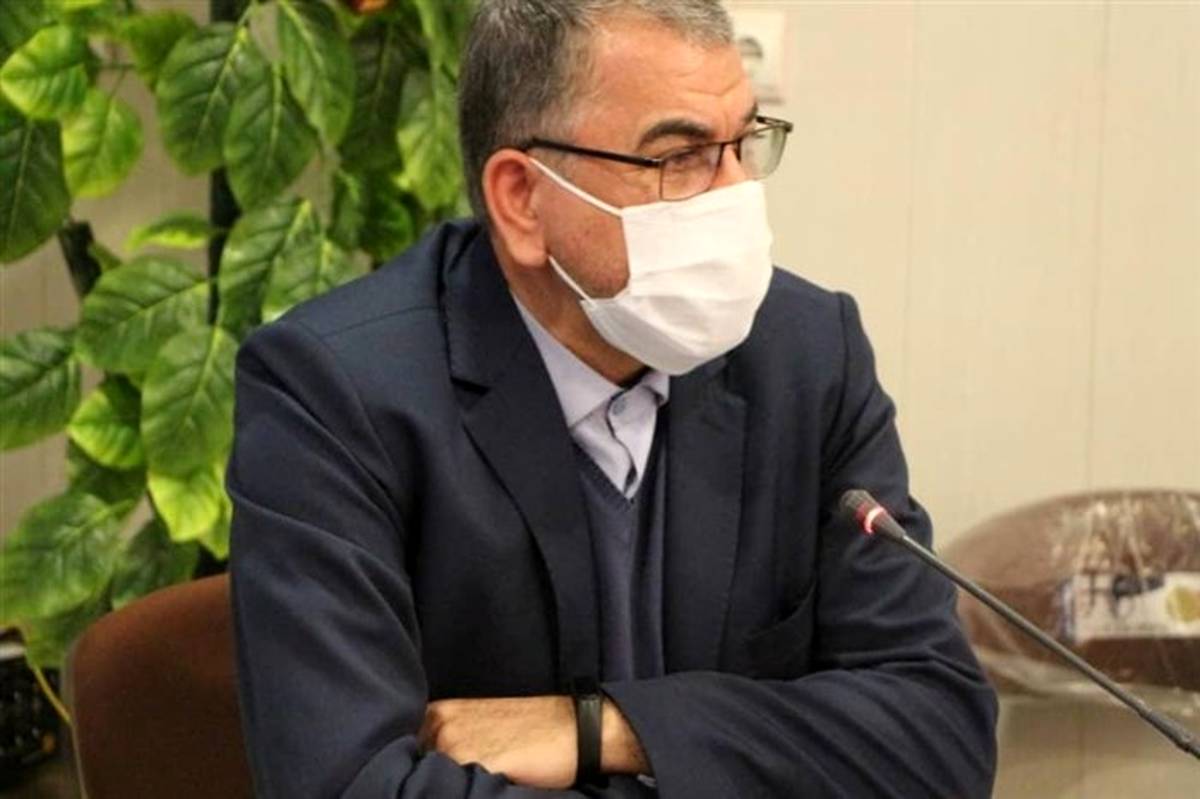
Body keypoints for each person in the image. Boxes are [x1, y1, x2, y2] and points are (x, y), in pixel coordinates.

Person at [228, 1, 998, 796]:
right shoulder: (334, 395)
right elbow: (353, 785)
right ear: (523, 198)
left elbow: (939, 737)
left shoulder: (805, 353)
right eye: (680, 157)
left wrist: (609, 727)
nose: (734, 196)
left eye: (744, 143)